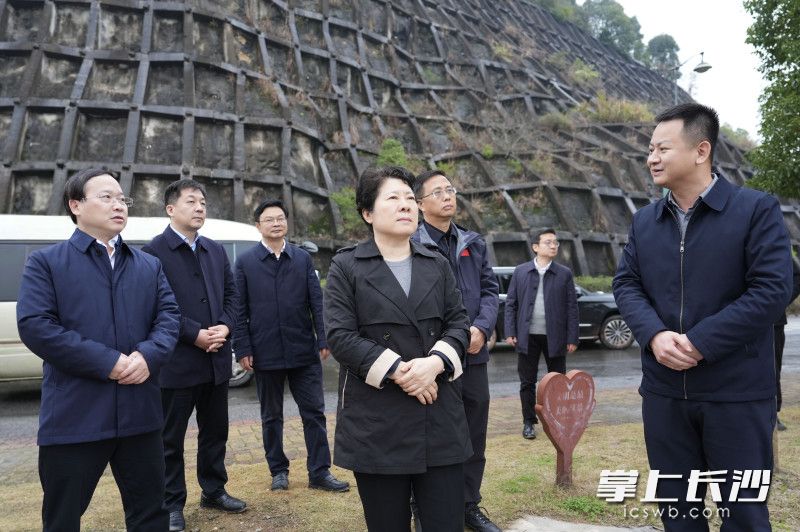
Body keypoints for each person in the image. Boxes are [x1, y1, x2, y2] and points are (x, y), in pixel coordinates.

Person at [612, 103, 793, 530]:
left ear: (701, 150)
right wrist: (655, 335)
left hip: (737, 394)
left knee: (744, 515)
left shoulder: (755, 210)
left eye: (662, 148)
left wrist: (699, 342)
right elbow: (627, 284)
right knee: (677, 513)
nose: (651, 157)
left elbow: (771, 290)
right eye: (650, 148)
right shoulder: (644, 222)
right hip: (665, 393)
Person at [16, 168, 180, 531]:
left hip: (141, 413)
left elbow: (169, 317)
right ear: (75, 205)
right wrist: (109, 362)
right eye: (106, 197)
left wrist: (148, 356)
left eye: (122, 198)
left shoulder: (149, 266)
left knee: (151, 514)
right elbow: (36, 326)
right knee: (62, 518)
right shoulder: (47, 263)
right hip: (76, 416)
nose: (118, 204)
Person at [324, 165, 472, 531]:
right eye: (393, 197)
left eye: (410, 198)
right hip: (377, 425)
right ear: (368, 212)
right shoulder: (347, 266)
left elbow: (458, 324)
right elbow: (340, 335)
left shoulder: (435, 263)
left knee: (445, 522)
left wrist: (434, 364)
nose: (406, 204)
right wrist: (402, 371)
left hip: (438, 418)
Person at [142, 179, 245, 531]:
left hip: (216, 359)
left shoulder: (214, 250)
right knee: (169, 438)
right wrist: (194, 334)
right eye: (191, 202)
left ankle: (214, 490)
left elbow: (232, 296)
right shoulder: (154, 252)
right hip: (176, 362)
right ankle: (171, 504)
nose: (200, 207)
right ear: (171, 209)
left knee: (215, 431)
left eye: (203, 202)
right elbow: (153, 305)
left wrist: (226, 327)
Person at [233, 199, 348, 493]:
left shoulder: (301, 258)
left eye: (281, 218)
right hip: (264, 351)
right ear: (258, 226)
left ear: (287, 223)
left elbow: (316, 301)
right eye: (269, 219)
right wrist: (243, 348)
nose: (276, 223)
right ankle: (278, 471)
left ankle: (320, 472)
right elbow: (238, 309)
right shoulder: (245, 262)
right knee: (271, 416)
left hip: (303, 351)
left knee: (314, 413)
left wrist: (323, 338)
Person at [412, 170, 500, 532]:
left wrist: (480, 327)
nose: (448, 196)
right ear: (420, 204)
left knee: (473, 433)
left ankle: (469, 504)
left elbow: (491, 290)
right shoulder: (412, 243)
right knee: (432, 436)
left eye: (450, 189)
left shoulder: (472, 242)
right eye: (438, 192)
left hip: (473, 356)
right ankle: (423, 508)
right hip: (432, 359)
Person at [503, 228, 579, 440]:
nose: (554, 245)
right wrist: (510, 331)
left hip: (555, 337)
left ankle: (557, 420)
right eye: (548, 242)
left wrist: (572, 337)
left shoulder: (564, 273)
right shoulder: (521, 271)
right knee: (527, 382)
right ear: (535, 247)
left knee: (558, 381)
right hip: (527, 337)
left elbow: (572, 307)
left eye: (556, 242)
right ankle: (529, 422)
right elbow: (511, 303)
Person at [774, 260, 800, 431]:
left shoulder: (769, 237)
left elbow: (797, 275)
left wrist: (778, 301)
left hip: (772, 322)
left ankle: (773, 412)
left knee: (772, 367)